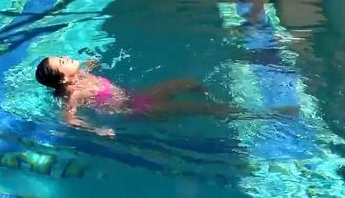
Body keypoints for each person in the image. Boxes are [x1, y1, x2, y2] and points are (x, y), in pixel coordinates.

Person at [34, 56, 233, 137]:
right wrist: (97, 129)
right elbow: (68, 119)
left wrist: (91, 65)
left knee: (187, 81)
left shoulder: (81, 74)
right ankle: (237, 112)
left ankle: (212, 97)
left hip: (138, 96)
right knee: (191, 108)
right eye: (62, 62)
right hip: (136, 110)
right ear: (62, 80)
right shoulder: (74, 94)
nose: (66, 58)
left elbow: (84, 68)